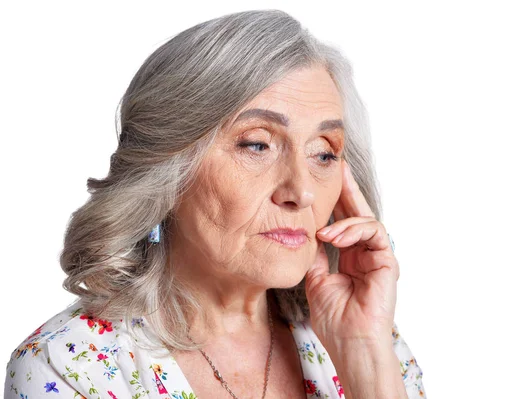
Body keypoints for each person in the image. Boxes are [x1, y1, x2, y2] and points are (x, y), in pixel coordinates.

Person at [4, 9, 426, 399]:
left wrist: (367, 364)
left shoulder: (369, 340)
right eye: (257, 144)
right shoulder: (70, 368)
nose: (302, 191)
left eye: (323, 153)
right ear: (168, 169)